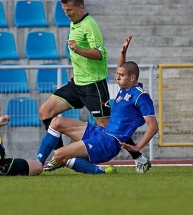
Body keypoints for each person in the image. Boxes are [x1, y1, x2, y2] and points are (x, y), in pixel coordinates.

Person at [40, 0, 149, 173]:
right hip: (77, 84)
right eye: (65, 10)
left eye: (70, 10)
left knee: (108, 129)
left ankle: (139, 158)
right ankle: (60, 156)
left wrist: (78, 49)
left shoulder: (90, 25)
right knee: (46, 112)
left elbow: (100, 55)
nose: (67, 13)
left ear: (81, 7)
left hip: (94, 86)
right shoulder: (74, 23)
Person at [35, 34, 158, 175]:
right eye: (117, 74)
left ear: (132, 77)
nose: (117, 78)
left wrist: (138, 147)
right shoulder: (125, 88)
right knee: (56, 122)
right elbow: (122, 68)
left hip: (109, 143)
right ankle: (37, 164)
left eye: (121, 76)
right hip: (101, 133)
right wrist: (123, 54)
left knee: (59, 155)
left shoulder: (141, 96)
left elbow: (153, 126)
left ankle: (101, 171)